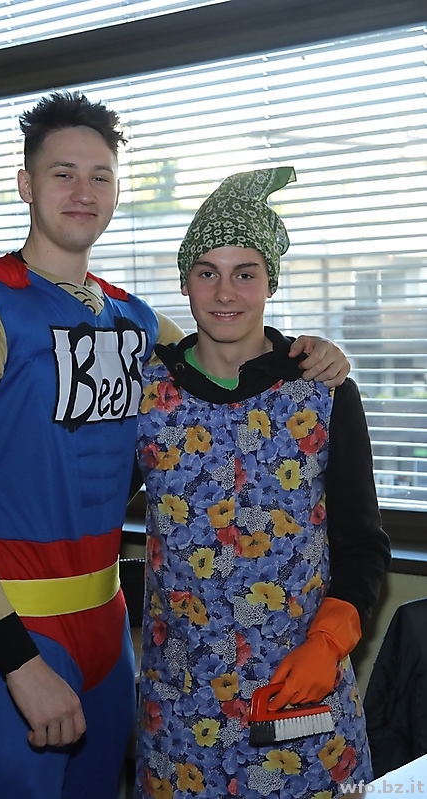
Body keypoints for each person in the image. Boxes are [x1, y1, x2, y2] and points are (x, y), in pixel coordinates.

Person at [0, 92, 351, 799]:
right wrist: (17, 661)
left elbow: (228, 354)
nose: (83, 192)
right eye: (63, 174)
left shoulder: (136, 322)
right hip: (8, 628)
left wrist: (314, 353)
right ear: (25, 184)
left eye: (100, 176)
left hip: (110, 632)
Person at [134, 166, 391, 798]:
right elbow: (82, 509)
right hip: (183, 715)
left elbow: (362, 544)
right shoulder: (146, 397)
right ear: (185, 281)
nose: (225, 292)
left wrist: (328, 642)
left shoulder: (323, 392)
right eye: (207, 272)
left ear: (270, 282)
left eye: (245, 273)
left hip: (300, 704)